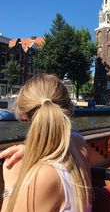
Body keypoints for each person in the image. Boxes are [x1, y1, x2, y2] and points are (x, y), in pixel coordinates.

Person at [0, 74, 92, 212]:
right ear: (68, 108)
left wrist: (10, 187)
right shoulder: (79, 144)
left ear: (24, 114)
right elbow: (67, 137)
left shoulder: (41, 177)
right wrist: (32, 149)